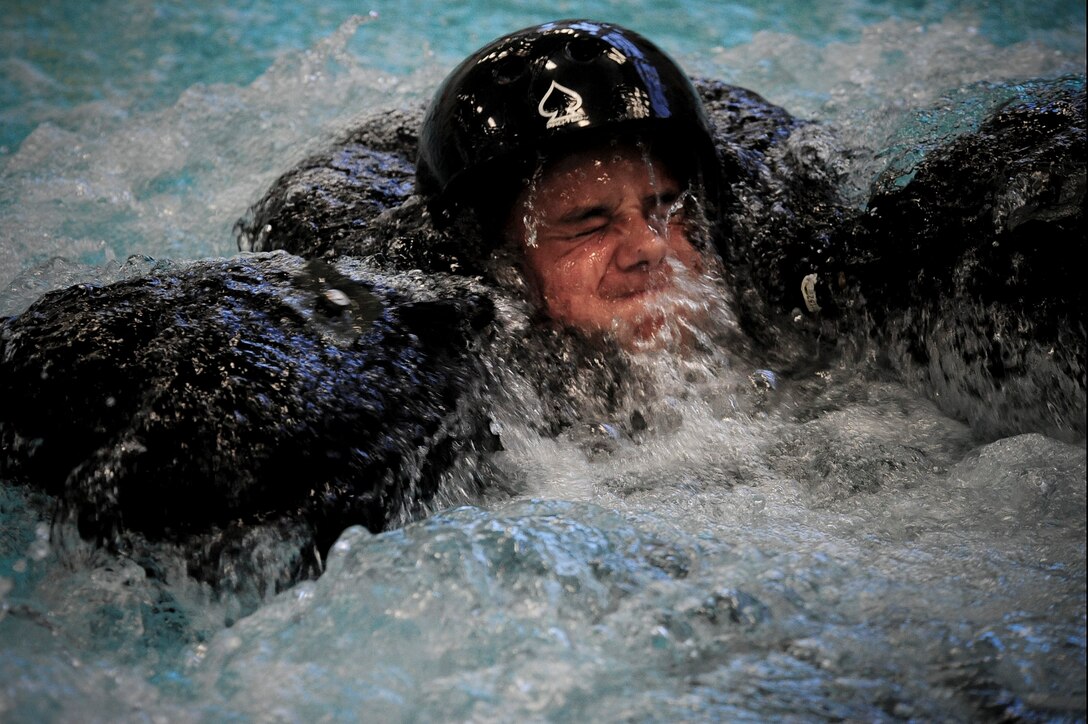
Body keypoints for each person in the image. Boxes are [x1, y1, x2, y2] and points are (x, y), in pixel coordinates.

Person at [1, 19, 1083, 597]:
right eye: (587, 224)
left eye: (667, 208)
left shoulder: (782, 287)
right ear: (502, 264)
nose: (650, 249)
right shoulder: (474, 364)